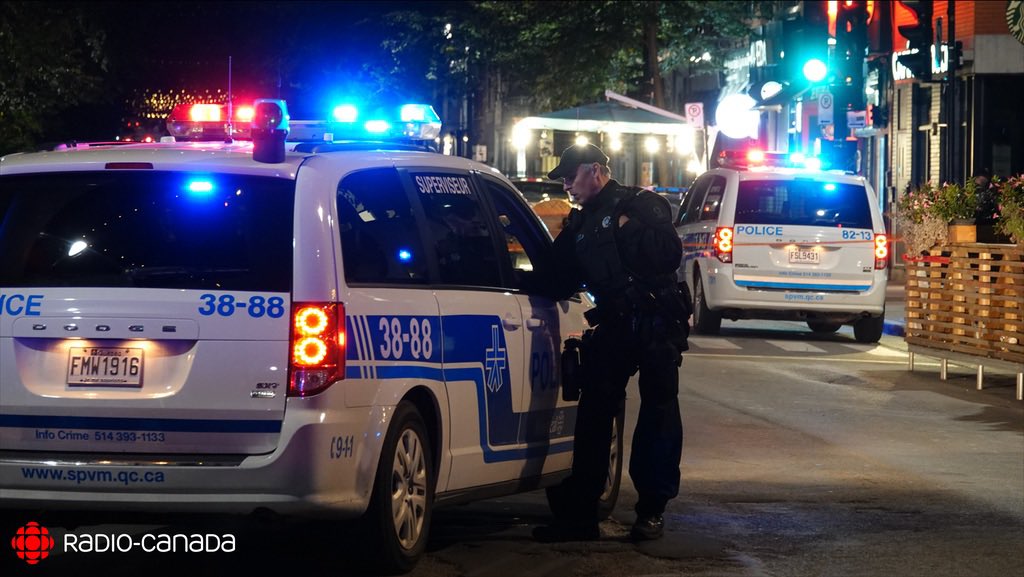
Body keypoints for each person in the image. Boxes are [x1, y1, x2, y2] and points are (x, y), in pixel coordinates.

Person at [532, 143, 686, 543]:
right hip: (615, 324)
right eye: (562, 179)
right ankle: (582, 515)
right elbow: (554, 278)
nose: (566, 185)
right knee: (595, 414)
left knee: (659, 414)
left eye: (570, 176)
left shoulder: (641, 205)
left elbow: (669, 255)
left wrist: (627, 230)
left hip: (655, 322)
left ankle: (651, 510)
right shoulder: (579, 225)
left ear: (596, 170)